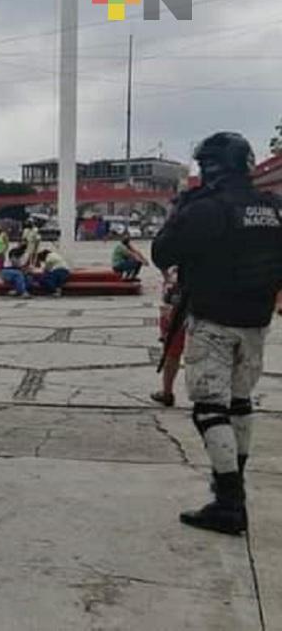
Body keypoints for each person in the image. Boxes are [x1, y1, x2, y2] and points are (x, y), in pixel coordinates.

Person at [152, 131, 282, 535]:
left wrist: (182, 211)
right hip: (257, 321)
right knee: (240, 403)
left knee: (210, 407)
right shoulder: (273, 207)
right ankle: (232, 484)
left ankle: (228, 500)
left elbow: (162, 252)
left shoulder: (206, 207)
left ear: (209, 166)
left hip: (213, 319)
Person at [150, 267, 184, 407]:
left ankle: (167, 392)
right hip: (190, 304)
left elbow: (159, 257)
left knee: (172, 353)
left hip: (175, 308)